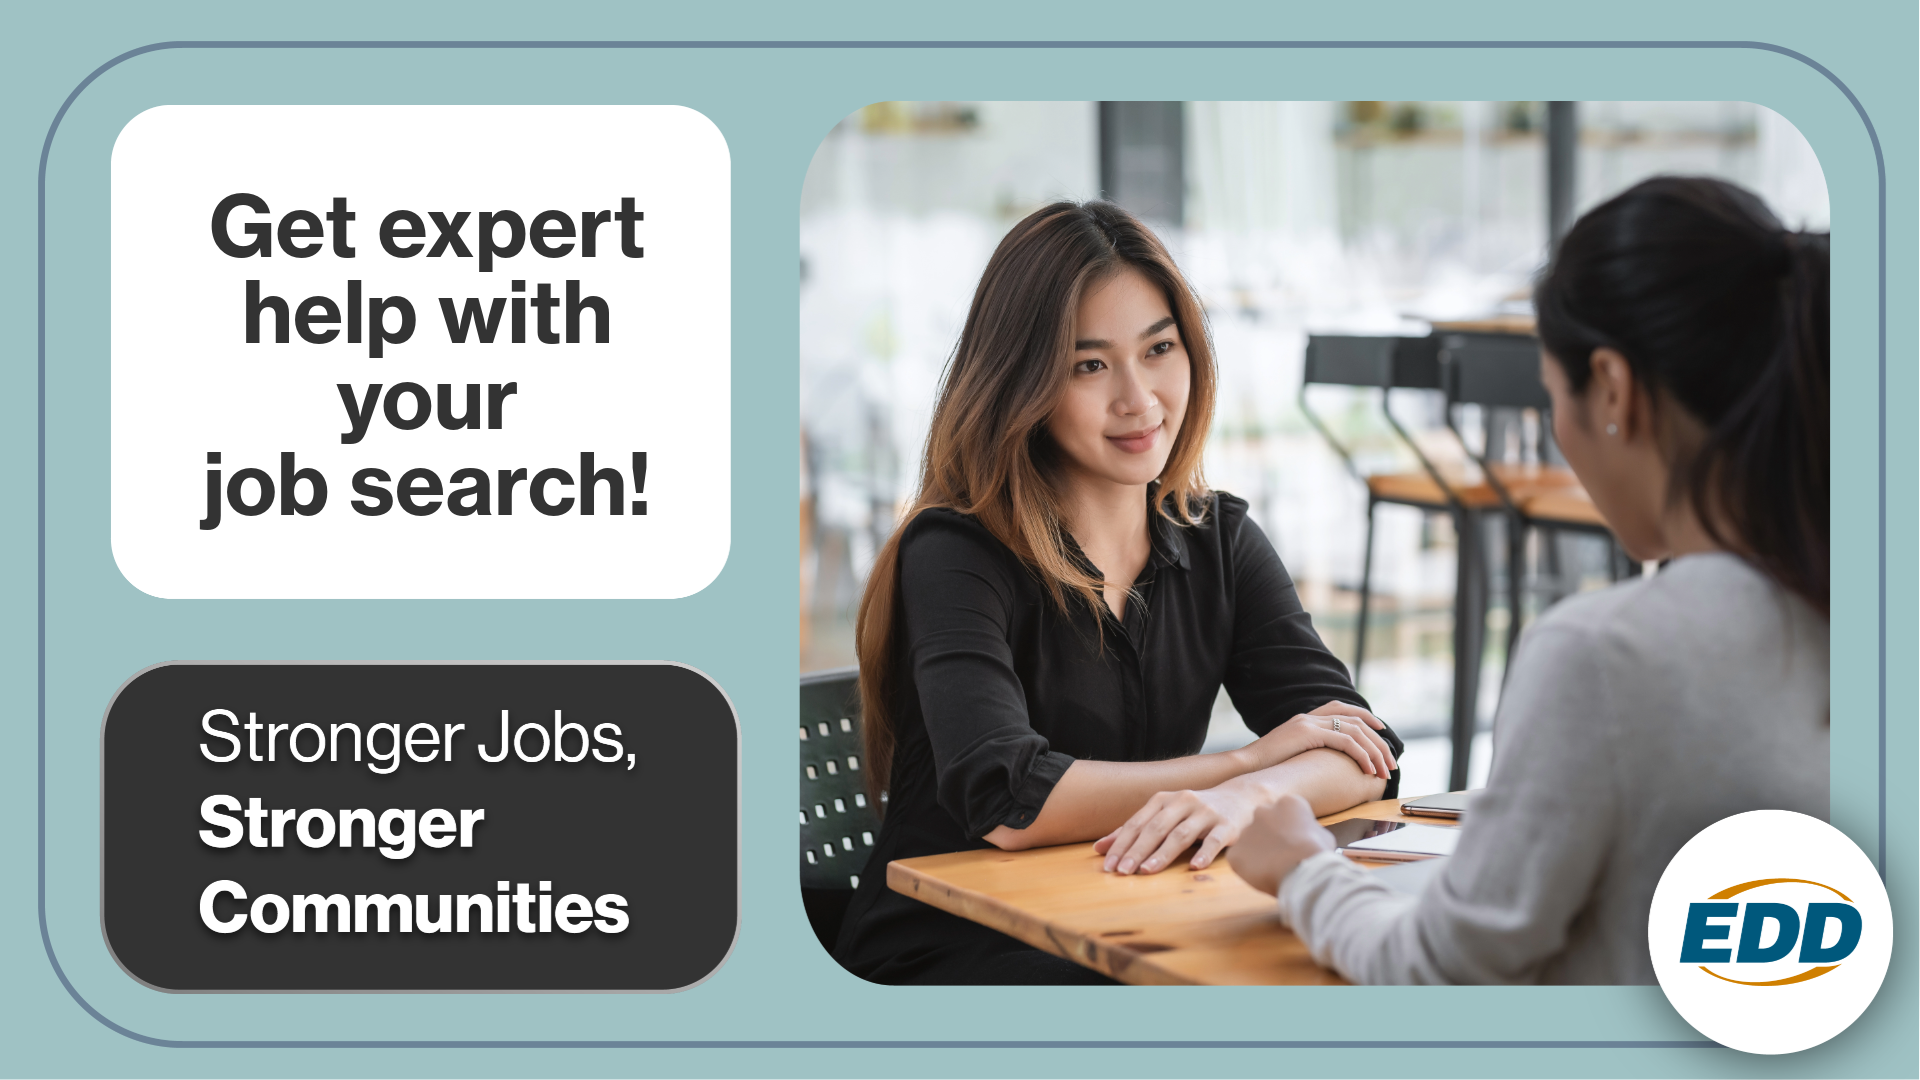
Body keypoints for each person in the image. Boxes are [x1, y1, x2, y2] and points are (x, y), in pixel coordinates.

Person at [1220, 176, 1830, 984]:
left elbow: (1434, 973)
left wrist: (1301, 868)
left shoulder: (1605, 655)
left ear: (1612, 388)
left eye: (1552, 399)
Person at [831, 201, 1404, 985]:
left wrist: (1254, 795)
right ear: (1023, 384)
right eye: (1089, 365)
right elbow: (1009, 801)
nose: (1139, 400)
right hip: (956, 948)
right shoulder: (957, 551)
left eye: (1159, 349)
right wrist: (1247, 761)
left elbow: (1363, 750)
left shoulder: (1220, 539)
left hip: (1119, 916)